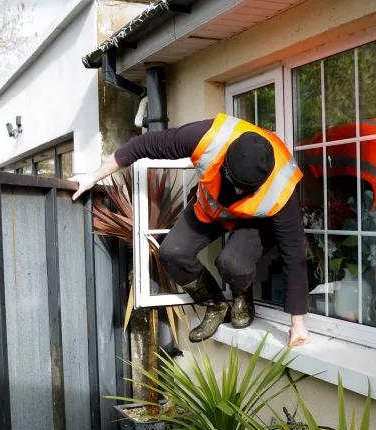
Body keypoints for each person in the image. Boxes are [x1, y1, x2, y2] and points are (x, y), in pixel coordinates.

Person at [71, 113, 310, 347]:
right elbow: (142, 145)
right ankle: (216, 304)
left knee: (231, 264)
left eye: (243, 189)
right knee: (171, 253)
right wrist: (92, 177)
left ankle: (242, 295)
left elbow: (294, 256)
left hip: (254, 219)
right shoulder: (208, 137)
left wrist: (297, 323)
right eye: (234, 184)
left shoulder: (282, 188)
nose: (237, 192)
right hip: (211, 207)